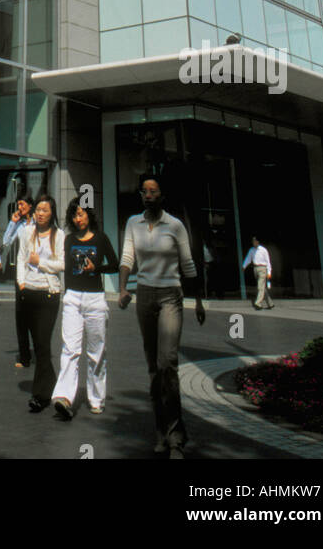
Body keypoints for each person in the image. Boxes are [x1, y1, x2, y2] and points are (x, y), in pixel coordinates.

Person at [118, 176, 204, 458]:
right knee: (154, 368)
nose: (148, 195)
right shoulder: (133, 223)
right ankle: (161, 431)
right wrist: (122, 289)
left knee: (167, 362)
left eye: (153, 191)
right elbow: (127, 257)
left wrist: (199, 301)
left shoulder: (175, 225)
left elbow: (188, 263)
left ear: (162, 196)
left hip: (170, 295)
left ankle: (176, 437)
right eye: (144, 191)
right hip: (144, 296)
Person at [52, 199, 120, 420]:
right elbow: (61, 263)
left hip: (95, 300)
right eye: (74, 215)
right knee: (70, 349)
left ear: (89, 215)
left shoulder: (101, 239)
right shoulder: (69, 240)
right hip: (72, 297)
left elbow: (115, 264)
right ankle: (64, 397)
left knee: (96, 352)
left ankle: (96, 398)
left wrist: (96, 267)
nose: (77, 219)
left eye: (81, 214)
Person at [17, 195, 65, 412]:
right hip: (29, 293)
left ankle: (40, 395)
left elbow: (61, 264)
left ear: (52, 212)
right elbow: (21, 257)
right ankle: (53, 385)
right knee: (39, 345)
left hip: (49, 294)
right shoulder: (27, 232)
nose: (40, 213)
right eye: (38, 209)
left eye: (45, 210)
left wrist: (41, 263)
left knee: (43, 343)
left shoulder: (59, 235)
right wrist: (21, 282)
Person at [3, 195, 34, 366]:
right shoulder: (20, 225)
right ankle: (24, 356)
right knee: (21, 316)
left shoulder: (39, 223)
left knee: (35, 315)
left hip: (37, 272)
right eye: (18, 204)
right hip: (22, 274)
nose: (20, 207)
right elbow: (6, 241)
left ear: (30, 205)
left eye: (22, 204)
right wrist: (12, 222)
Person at [242, 235, 274, 309]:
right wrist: (244, 266)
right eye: (253, 241)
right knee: (262, 287)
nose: (254, 243)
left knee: (260, 286)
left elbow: (268, 261)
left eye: (255, 241)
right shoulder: (251, 250)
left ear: (258, 242)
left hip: (263, 268)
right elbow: (248, 259)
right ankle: (270, 303)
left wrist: (269, 272)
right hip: (256, 268)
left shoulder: (263, 250)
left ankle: (258, 303)